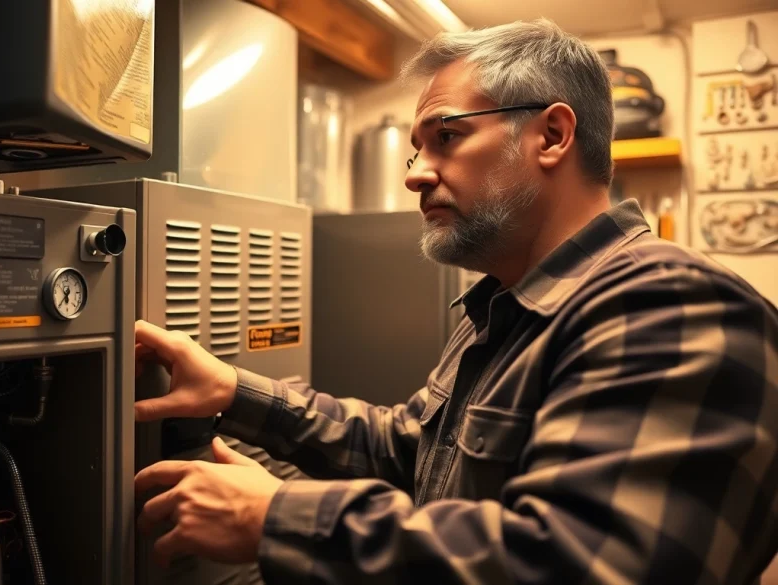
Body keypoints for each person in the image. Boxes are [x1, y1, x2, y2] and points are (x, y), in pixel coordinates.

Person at [133, 18, 778, 584]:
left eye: (446, 136)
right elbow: (409, 447)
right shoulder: (505, 306)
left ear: (552, 135)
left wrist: (276, 518)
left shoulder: (670, 307)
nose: (414, 172)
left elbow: (577, 563)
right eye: (416, 147)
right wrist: (233, 390)